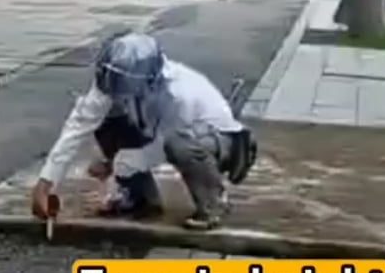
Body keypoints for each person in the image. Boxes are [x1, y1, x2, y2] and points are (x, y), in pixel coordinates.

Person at [30, 32, 255, 230]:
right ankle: (141, 198)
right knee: (108, 120)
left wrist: (115, 164)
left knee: (178, 145)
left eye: (124, 86)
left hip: (223, 142)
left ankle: (214, 203)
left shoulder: (179, 93)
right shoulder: (114, 79)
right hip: (167, 134)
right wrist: (46, 183)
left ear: (147, 79)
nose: (116, 91)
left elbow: (166, 143)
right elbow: (79, 125)